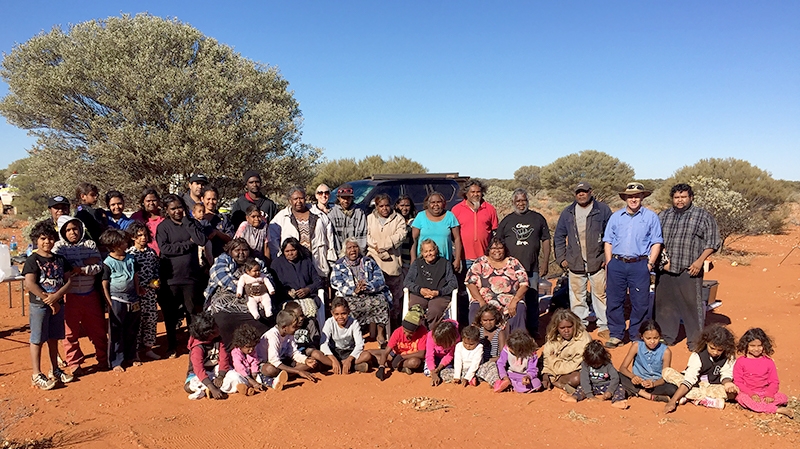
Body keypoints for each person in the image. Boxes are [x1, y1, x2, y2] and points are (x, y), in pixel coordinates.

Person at [655, 183, 721, 350]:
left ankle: (695, 341)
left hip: (690, 269)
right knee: (664, 306)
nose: (680, 200)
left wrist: (700, 261)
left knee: (692, 307)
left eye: (683, 197)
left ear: (691, 197)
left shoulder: (702, 216)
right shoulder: (663, 215)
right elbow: (656, 241)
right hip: (666, 269)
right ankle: (666, 336)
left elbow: (713, 242)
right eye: (677, 197)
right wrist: (663, 262)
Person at [603, 182, 663, 348]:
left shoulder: (651, 217)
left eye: (637, 195)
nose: (634, 199)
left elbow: (656, 242)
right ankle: (616, 334)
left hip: (640, 264)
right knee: (614, 300)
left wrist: (650, 264)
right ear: (625, 198)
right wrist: (609, 262)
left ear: (642, 197)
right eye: (630, 196)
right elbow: (608, 240)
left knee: (640, 301)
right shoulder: (616, 217)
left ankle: (637, 333)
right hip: (617, 264)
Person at [553, 182, 612, 338]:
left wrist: (608, 257)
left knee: (600, 295)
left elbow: (612, 234)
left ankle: (604, 325)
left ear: (590, 192)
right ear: (575, 194)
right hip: (575, 262)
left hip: (598, 261)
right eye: (578, 192)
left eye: (584, 191)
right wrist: (561, 258)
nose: (581, 194)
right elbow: (559, 236)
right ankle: (580, 326)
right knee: (577, 296)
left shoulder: (602, 210)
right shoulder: (568, 212)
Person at [52, 216, 108, 376]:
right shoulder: (59, 247)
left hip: (90, 294)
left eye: (75, 229)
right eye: (68, 230)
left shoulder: (89, 244)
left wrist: (81, 268)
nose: (72, 232)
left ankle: (103, 358)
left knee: (97, 329)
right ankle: (74, 363)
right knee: (69, 333)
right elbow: (61, 268)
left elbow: (98, 265)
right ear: (63, 232)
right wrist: (81, 264)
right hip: (69, 297)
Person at [23, 221, 75, 390]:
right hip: (39, 306)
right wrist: (48, 299)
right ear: (36, 240)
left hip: (58, 304)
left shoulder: (60, 259)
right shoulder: (32, 260)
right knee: (37, 339)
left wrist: (57, 296)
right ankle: (36, 374)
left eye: (51, 238)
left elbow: (69, 280)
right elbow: (30, 283)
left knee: (54, 338)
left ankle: (55, 369)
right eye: (43, 238)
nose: (47, 242)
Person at [156, 194, 208, 356]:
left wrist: (187, 222)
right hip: (170, 278)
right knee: (171, 314)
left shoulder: (191, 223)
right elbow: (165, 249)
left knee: (192, 312)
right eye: (173, 208)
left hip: (191, 277)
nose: (177, 211)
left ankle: (195, 344)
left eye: (180, 207)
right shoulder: (163, 227)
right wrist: (188, 244)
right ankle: (172, 345)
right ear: (167, 210)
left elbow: (201, 240)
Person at [497, 188, 551, 337]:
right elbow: (497, 243)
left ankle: (532, 329)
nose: (521, 204)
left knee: (532, 299)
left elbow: (546, 239)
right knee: (512, 299)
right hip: (511, 270)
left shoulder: (538, 218)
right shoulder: (507, 221)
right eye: (518, 201)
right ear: (513, 202)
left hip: (531, 267)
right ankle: (512, 330)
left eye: (523, 200)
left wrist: (545, 262)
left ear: (527, 201)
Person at [203, 238, 271, 349]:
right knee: (222, 317)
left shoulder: (257, 262)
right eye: (237, 250)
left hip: (254, 296)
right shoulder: (223, 259)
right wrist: (243, 289)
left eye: (244, 250)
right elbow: (220, 277)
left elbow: (268, 278)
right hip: (226, 296)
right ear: (230, 251)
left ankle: (258, 350)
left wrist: (261, 288)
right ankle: (228, 351)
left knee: (264, 315)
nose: (241, 253)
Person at [663, 324, 739, 413]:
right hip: (694, 384)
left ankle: (691, 397)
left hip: (712, 386)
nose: (715, 352)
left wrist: (727, 383)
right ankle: (704, 399)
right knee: (667, 372)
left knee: (732, 393)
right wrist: (672, 401)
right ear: (706, 342)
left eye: (720, 350)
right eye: (712, 348)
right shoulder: (697, 355)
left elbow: (726, 373)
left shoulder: (729, 356)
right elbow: (690, 379)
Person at [330, 238, 392, 346]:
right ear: (345, 251)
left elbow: (380, 279)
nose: (353, 250)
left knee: (382, 302)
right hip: (351, 296)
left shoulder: (368, 261)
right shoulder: (339, 265)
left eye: (355, 247)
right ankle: (356, 336)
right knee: (350, 308)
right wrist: (353, 290)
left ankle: (380, 334)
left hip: (370, 293)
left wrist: (368, 286)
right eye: (349, 248)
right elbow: (336, 282)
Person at [269, 187, 336, 279]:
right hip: (293, 262)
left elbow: (329, 237)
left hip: (317, 259)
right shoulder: (282, 217)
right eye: (295, 199)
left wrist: (331, 257)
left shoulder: (318, 215)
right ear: (290, 200)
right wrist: (279, 258)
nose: (299, 201)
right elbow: (273, 240)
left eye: (301, 198)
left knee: (318, 285)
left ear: (305, 198)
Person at [100, 229, 142, 372]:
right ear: (114, 245)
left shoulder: (131, 258)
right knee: (117, 332)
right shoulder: (107, 262)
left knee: (132, 329)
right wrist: (110, 303)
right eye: (123, 242)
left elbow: (135, 277)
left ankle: (132, 356)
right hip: (117, 300)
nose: (126, 244)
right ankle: (116, 361)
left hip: (133, 299)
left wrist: (137, 293)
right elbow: (105, 284)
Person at [465, 237, 529, 332]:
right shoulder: (481, 262)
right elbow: (470, 283)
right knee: (475, 306)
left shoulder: (513, 262)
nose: (497, 251)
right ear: (489, 250)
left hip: (509, 301)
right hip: (485, 300)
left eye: (500, 248)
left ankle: (516, 342)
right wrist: (481, 301)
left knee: (520, 307)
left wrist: (514, 301)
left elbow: (524, 284)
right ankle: (476, 340)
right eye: (493, 248)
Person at [367, 193, 407, 323]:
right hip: (374, 259)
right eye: (381, 206)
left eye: (387, 206)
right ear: (376, 207)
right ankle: (377, 325)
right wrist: (377, 248)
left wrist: (383, 246)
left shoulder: (398, 219)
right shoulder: (369, 218)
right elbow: (367, 237)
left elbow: (400, 236)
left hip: (392, 261)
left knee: (394, 296)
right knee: (375, 295)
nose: (384, 209)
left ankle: (394, 323)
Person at [733, 328, 792, 417]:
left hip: (764, 393)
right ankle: (777, 410)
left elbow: (774, 381)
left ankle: (762, 406)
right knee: (742, 398)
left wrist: (770, 394)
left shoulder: (769, 362)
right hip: (747, 393)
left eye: (759, 346)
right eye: (752, 346)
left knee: (783, 398)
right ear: (746, 346)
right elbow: (738, 382)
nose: (756, 349)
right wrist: (751, 394)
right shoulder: (740, 361)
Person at [126, 221, 161, 362]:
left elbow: (156, 269)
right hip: (136, 295)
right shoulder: (129, 254)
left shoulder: (151, 253)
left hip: (150, 295)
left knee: (151, 321)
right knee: (136, 324)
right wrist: (138, 287)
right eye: (139, 235)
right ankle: (134, 353)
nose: (143, 238)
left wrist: (157, 281)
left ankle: (148, 349)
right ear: (133, 237)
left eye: (145, 235)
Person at [617, 320, 677, 402]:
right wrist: (633, 377)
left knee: (672, 388)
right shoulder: (636, 346)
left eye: (656, 338)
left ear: (660, 336)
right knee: (617, 375)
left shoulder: (666, 352)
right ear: (642, 337)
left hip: (655, 385)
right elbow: (622, 368)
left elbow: (665, 376)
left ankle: (635, 392)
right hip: (637, 383)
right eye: (648, 338)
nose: (652, 341)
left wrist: (653, 384)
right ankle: (647, 396)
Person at [183, 312, 239, 400]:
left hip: (216, 370)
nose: (218, 327)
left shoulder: (218, 340)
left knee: (235, 376)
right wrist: (212, 387)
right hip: (199, 375)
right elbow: (199, 369)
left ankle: (210, 389)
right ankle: (213, 388)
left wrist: (221, 376)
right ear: (210, 333)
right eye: (215, 326)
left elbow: (224, 359)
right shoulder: (197, 348)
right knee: (189, 386)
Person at [257, 310, 319, 388]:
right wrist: (298, 371)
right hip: (266, 364)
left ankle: (284, 375)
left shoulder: (289, 333)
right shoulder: (272, 336)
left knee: (309, 363)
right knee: (271, 370)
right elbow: (274, 361)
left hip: (282, 361)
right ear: (284, 327)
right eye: (294, 327)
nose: (296, 329)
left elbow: (293, 353)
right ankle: (284, 374)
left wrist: (305, 360)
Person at [404, 239, 458, 328]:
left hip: (439, 295)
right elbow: (407, 281)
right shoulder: (417, 263)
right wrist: (420, 290)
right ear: (422, 253)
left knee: (434, 311)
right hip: (419, 294)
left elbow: (453, 283)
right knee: (415, 311)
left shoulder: (445, 263)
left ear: (436, 250)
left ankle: (432, 335)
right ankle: (420, 335)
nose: (428, 254)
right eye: (425, 251)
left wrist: (438, 292)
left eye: (431, 250)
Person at [560, 340, 629, 409]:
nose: (596, 366)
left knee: (620, 388)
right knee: (581, 388)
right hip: (592, 385)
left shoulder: (607, 364)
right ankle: (574, 397)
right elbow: (584, 379)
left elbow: (615, 377)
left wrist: (610, 391)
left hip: (606, 385)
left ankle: (617, 401)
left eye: (598, 363)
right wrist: (590, 395)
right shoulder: (585, 364)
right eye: (593, 364)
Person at [314, 297, 373, 374]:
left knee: (367, 355)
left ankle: (337, 366)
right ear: (332, 313)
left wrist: (349, 359)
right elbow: (323, 343)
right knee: (316, 354)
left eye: (343, 313)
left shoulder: (354, 323)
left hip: (349, 352)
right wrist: (333, 359)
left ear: (348, 312)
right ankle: (352, 366)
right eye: (337, 314)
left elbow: (360, 344)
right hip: (334, 352)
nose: (340, 317)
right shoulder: (329, 322)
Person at [451, 179, 498, 273]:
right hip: (464, 258)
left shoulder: (490, 209)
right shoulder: (456, 210)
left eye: (478, 192)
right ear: (466, 193)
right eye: (472, 192)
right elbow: (452, 235)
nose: (476, 194)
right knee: (464, 286)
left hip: (484, 258)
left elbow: (495, 233)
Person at [411, 192, 462, 275]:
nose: (436, 205)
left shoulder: (450, 216)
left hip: (445, 261)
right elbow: (413, 240)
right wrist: (413, 259)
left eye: (438, 202)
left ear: (443, 203)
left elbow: (457, 239)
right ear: (428, 204)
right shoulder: (420, 216)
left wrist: (457, 259)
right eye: (433, 202)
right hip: (424, 261)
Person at [541, 308, 592, 392]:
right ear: (557, 328)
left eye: (569, 327)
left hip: (574, 370)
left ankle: (556, 381)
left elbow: (576, 364)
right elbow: (547, 358)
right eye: (562, 328)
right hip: (553, 368)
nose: (566, 331)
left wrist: (554, 370)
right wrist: (546, 373)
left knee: (577, 378)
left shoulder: (584, 339)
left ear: (574, 325)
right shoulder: (552, 337)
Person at [376, 305, 427, 381]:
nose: (406, 334)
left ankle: (395, 366)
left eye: (409, 333)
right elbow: (386, 352)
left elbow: (421, 353)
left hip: (409, 357)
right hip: (395, 354)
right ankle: (396, 367)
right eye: (404, 330)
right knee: (372, 354)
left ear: (416, 330)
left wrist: (402, 357)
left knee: (415, 362)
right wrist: (381, 367)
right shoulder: (398, 332)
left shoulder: (423, 332)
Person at [270, 237, 324, 305]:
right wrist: (287, 293)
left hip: (308, 298)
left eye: (293, 250)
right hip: (285, 300)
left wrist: (308, 289)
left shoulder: (306, 261)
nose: (290, 253)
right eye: (287, 251)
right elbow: (273, 285)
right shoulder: (276, 264)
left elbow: (318, 281)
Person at [494, 329, 541, 393]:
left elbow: (533, 369)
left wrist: (528, 377)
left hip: (523, 376)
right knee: (496, 374)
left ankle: (512, 386)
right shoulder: (507, 348)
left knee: (537, 383)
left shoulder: (531, 354)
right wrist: (504, 377)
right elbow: (500, 364)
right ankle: (510, 384)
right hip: (510, 374)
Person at [328, 183, 367, 255]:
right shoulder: (332, 213)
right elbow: (332, 237)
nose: (346, 201)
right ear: (338, 198)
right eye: (343, 198)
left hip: (355, 254)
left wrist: (358, 253)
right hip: (338, 254)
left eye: (348, 198)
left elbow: (362, 236)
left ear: (352, 198)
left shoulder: (359, 213)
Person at [474, 304, 507, 387]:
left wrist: (490, 360)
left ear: (496, 319)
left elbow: (503, 354)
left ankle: (496, 383)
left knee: (492, 368)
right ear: (480, 321)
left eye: (491, 320)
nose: (488, 323)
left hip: (494, 362)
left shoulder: (500, 333)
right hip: (478, 362)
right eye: (485, 320)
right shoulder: (478, 332)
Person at [198, 185, 233, 260]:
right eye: (208, 199)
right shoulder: (195, 219)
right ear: (202, 199)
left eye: (214, 199)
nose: (211, 202)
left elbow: (231, 239)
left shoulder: (223, 219)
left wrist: (217, 233)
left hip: (220, 259)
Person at [229, 324, 266, 396]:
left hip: (251, 374)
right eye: (248, 347)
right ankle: (246, 389)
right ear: (240, 345)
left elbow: (254, 361)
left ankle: (273, 383)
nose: (251, 349)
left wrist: (254, 373)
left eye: (253, 346)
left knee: (261, 376)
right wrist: (250, 379)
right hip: (242, 374)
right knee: (236, 378)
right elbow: (239, 367)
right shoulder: (235, 352)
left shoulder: (253, 351)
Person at [425, 320, 460, 386]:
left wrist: (439, 368)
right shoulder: (431, 335)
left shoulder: (456, 339)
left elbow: (450, 355)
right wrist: (433, 372)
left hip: (446, 360)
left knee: (447, 371)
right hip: (435, 357)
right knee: (427, 372)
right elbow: (429, 355)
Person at [130, 188, 164, 254]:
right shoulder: (136, 217)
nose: (151, 203)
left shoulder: (164, 217)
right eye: (148, 201)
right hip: (143, 255)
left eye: (154, 200)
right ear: (143, 202)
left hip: (163, 254)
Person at [395, 195, 417, 275]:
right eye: (402, 205)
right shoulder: (393, 221)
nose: (404, 208)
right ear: (397, 206)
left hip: (411, 257)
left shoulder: (415, 221)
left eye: (407, 205)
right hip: (398, 258)